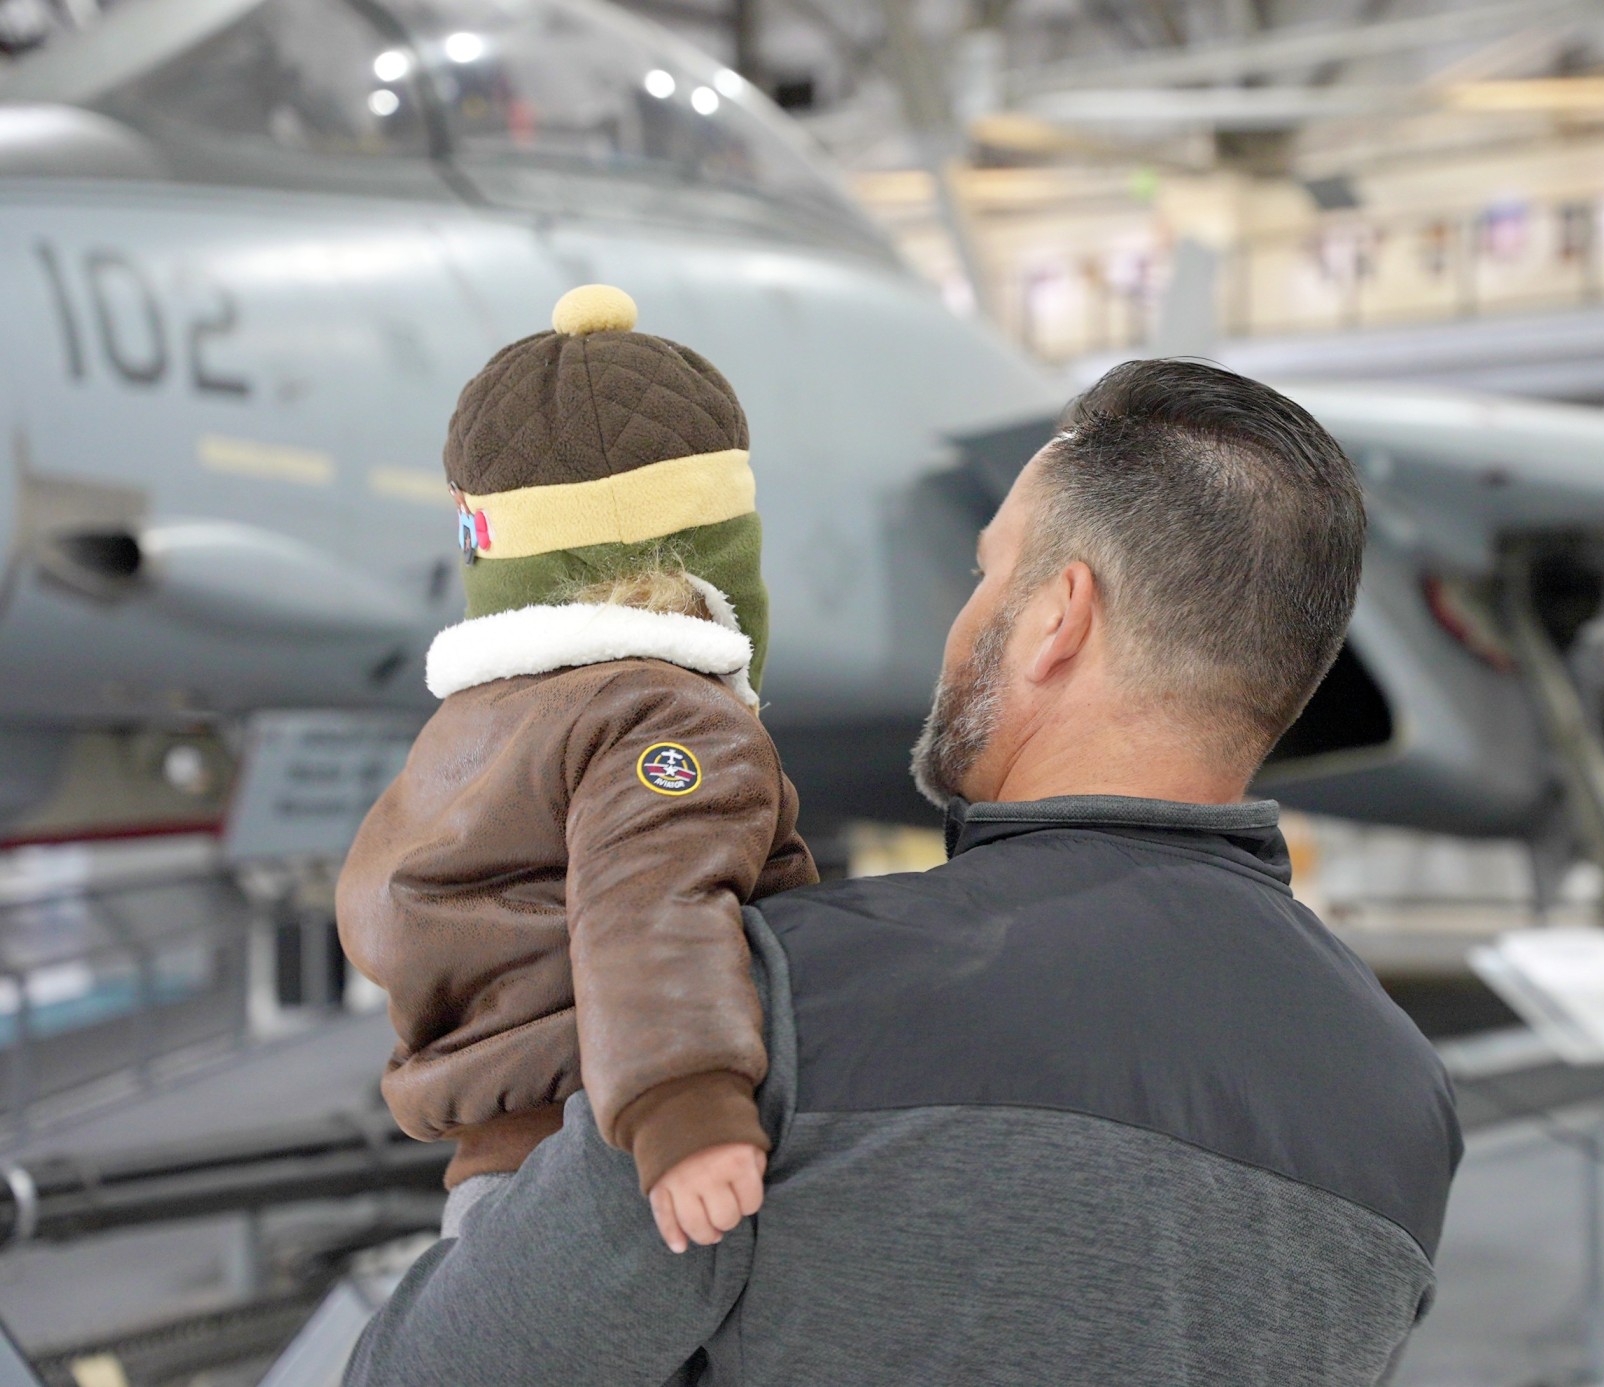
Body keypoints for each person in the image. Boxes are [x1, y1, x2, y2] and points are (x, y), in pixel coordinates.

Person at [346, 358, 1463, 1386]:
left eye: (987, 574)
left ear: (1058, 619)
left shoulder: (780, 997)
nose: (962, 614)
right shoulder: (1401, 1101)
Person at [336, 285, 817, 1257]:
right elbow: (648, 904)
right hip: (628, 1165)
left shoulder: (474, 728)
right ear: (714, 559)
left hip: (491, 1183)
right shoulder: (664, 714)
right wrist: (682, 1105)